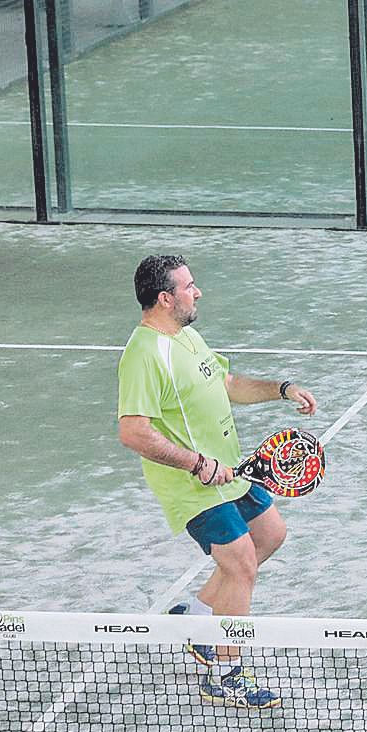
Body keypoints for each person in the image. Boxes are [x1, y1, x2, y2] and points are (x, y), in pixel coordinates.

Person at [117, 255, 319, 707]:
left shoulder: (186, 335)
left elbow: (226, 383)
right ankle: (225, 674)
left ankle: (200, 618)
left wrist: (280, 389)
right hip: (192, 484)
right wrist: (196, 465)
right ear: (165, 298)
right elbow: (133, 431)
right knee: (241, 563)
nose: (198, 291)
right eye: (189, 286)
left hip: (232, 470)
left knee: (271, 533)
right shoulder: (146, 355)